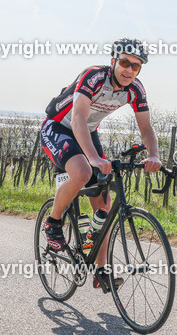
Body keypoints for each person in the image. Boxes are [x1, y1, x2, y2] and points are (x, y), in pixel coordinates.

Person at [40, 39, 162, 292]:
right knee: (84, 171)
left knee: (104, 205)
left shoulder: (136, 89)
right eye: (125, 63)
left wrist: (154, 155)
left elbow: (146, 128)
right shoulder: (93, 76)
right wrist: (94, 158)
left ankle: (101, 270)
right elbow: (78, 118)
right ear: (113, 61)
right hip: (60, 126)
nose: (129, 70)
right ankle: (53, 222)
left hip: (88, 131)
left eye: (136, 66)